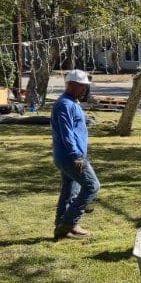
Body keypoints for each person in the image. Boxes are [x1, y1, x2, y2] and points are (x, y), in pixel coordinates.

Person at [51, 68, 100, 241]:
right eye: (82, 86)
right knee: (92, 186)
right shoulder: (65, 104)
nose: (84, 89)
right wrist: (76, 155)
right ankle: (70, 223)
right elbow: (67, 134)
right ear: (71, 85)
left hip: (67, 156)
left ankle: (61, 227)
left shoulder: (71, 102)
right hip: (71, 156)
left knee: (69, 190)